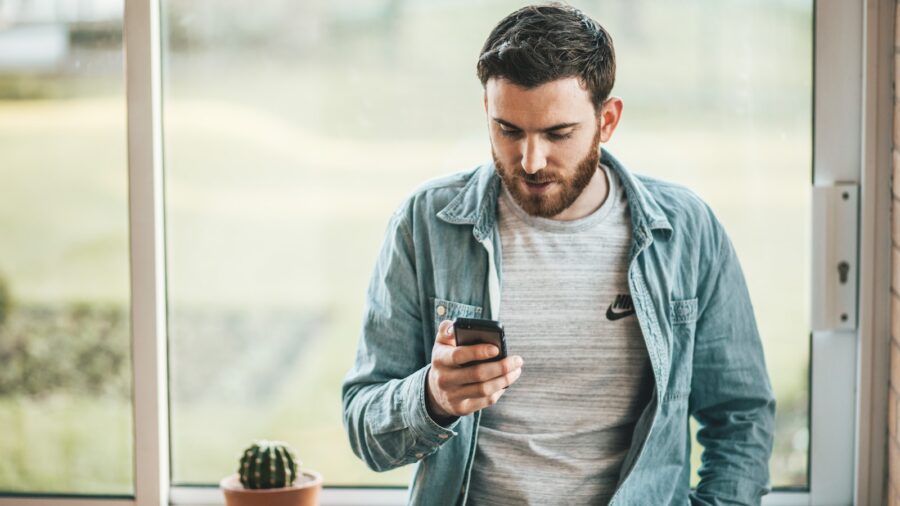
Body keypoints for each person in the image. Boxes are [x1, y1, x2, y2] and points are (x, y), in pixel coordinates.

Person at [342, 3, 775, 505]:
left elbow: (741, 417)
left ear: (607, 120)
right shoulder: (425, 223)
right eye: (508, 130)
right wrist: (433, 398)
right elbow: (364, 427)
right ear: (486, 110)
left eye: (557, 133)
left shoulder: (686, 231)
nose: (530, 161)